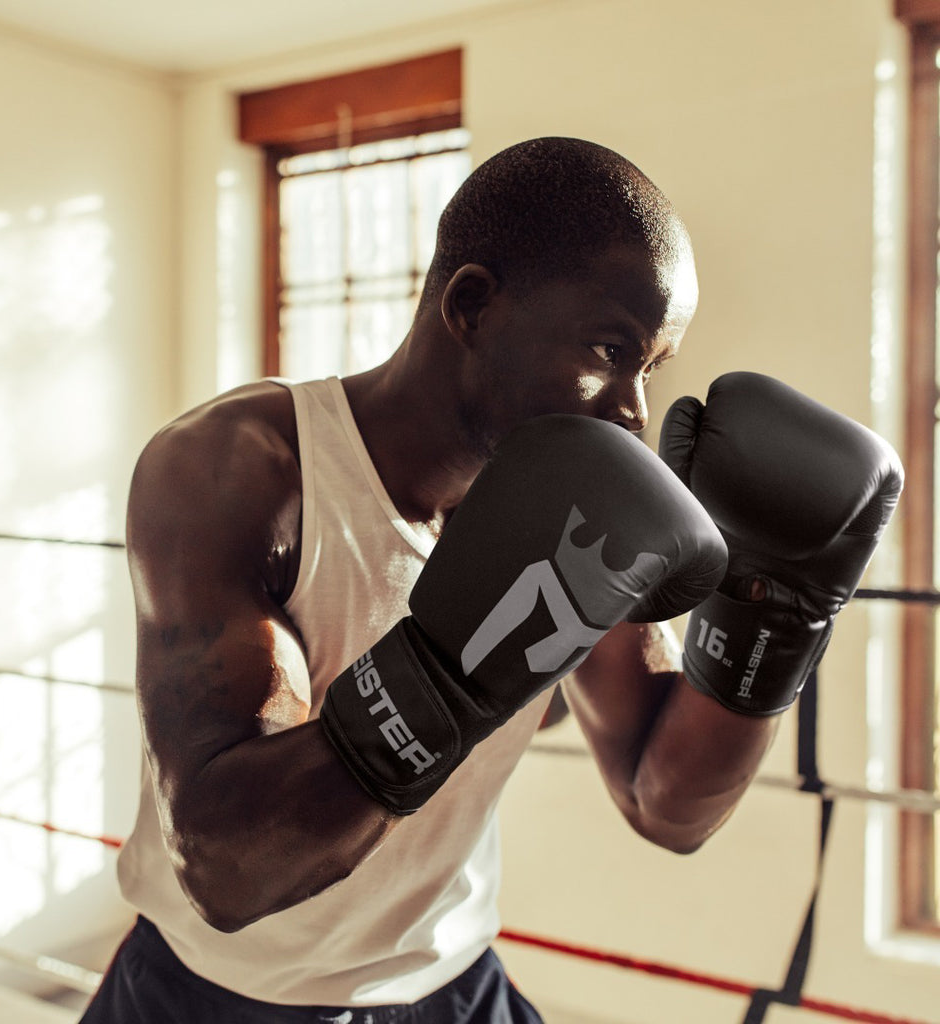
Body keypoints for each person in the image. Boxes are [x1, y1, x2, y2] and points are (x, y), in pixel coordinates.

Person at [79, 137, 900, 1023]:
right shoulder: (241, 470)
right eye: (608, 348)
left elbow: (667, 803)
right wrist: (446, 673)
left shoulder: (577, 501)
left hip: (449, 983)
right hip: (220, 999)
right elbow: (227, 866)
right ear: (472, 305)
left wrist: (772, 610)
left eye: (649, 369)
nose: (633, 413)